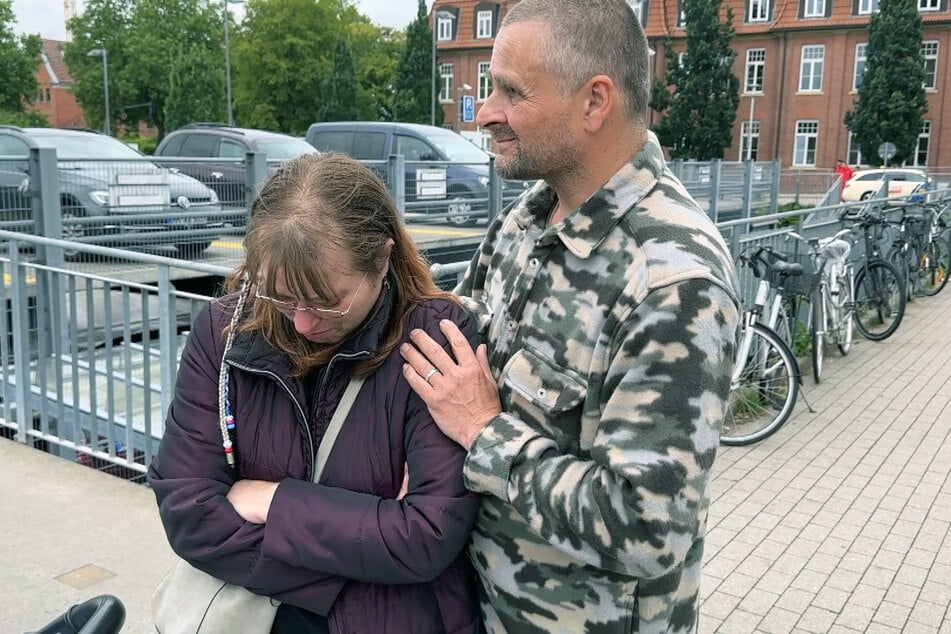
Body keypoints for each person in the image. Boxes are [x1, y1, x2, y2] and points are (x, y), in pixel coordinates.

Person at [398, 1, 740, 632]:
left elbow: (646, 530)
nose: (485, 112)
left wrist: (484, 431)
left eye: (511, 91)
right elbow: (452, 339)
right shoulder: (528, 219)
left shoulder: (672, 280)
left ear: (594, 101)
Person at [147, 153, 483, 634]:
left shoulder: (436, 341)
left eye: (327, 302)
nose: (303, 322)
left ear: (383, 258)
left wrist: (272, 501)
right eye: (281, 297)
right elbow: (187, 512)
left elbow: (426, 536)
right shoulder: (223, 331)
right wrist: (369, 544)